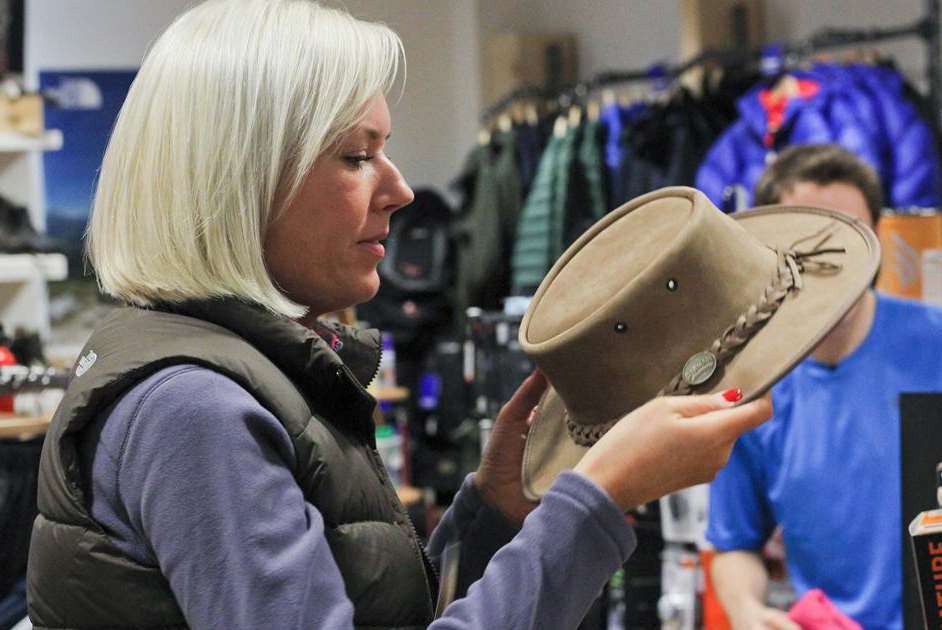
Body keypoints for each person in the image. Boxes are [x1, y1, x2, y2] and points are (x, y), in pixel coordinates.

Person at [25, 1, 772, 629]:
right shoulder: (196, 407)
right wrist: (597, 499)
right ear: (241, 181)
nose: (402, 190)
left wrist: (491, 517)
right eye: (356, 156)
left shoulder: (235, 370)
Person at [707, 144, 942, 630]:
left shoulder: (935, 344)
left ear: (876, 239)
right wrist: (748, 613)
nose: (836, 258)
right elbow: (733, 542)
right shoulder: (752, 383)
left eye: (852, 235)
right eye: (814, 237)